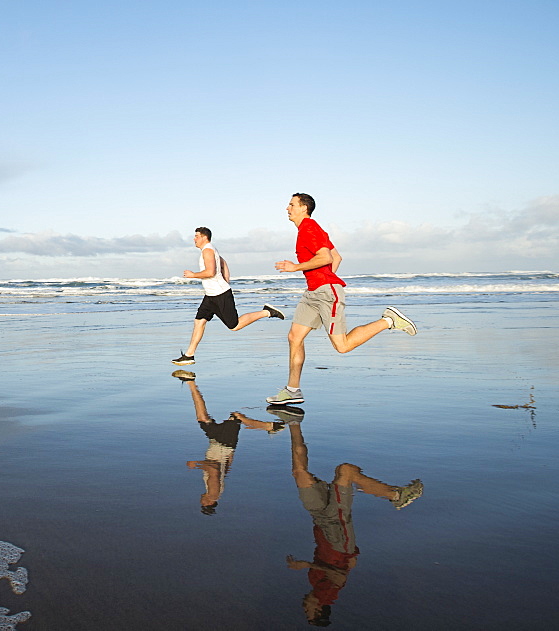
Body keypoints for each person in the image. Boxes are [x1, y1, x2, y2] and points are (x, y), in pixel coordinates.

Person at [267, 194, 417, 404]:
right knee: (294, 337)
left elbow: (326, 258)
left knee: (342, 346)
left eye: (292, 204)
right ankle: (292, 390)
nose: (287, 208)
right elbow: (337, 257)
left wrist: (297, 268)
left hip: (325, 293)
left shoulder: (309, 228)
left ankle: (389, 321)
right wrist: (323, 279)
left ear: (304, 208)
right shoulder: (310, 229)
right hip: (314, 292)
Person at [282, 414, 423, 626]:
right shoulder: (327, 596)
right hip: (338, 537)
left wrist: (314, 565)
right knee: (346, 471)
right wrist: (307, 564)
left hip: (321, 524)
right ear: (319, 609)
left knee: (299, 471)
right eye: (308, 612)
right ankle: (396, 496)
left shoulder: (315, 586)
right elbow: (340, 575)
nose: (305, 607)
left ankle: (293, 424)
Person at [172, 227, 285, 365]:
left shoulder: (207, 250)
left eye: (196, 236)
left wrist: (193, 275)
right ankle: (189, 355)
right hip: (210, 295)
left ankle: (267, 312)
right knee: (199, 321)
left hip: (220, 295)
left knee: (234, 325)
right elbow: (223, 263)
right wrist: (226, 279)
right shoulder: (209, 250)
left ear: (204, 237)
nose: (194, 239)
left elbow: (211, 272)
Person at [176, 371, 282, 514]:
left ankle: (191, 384)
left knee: (204, 418)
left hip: (221, 444)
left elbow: (223, 470)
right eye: (202, 504)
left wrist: (231, 454)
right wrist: (196, 464)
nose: (200, 501)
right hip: (222, 443)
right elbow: (214, 468)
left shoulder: (217, 492)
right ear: (208, 503)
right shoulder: (213, 493)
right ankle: (269, 427)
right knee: (235, 417)